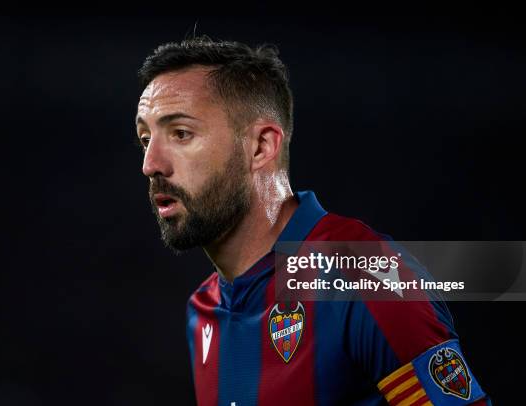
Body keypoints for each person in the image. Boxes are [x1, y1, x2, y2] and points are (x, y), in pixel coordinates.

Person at [135, 37, 490, 405]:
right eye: (145, 139)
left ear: (260, 147)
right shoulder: (203, 309)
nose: (150, 164)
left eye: (180, 134)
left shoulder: (365, 276)